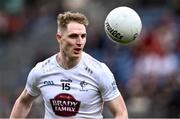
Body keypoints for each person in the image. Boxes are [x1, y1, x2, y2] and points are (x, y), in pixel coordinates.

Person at [10, 11, 128, 119]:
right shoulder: (41, 70)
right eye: (73, 36)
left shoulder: (99, 71)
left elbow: (121, 112)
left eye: (83, 36)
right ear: (59, 38)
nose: (79, 42)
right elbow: (23, 102)